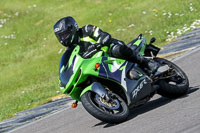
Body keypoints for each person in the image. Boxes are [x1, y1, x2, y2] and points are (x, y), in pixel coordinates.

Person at [54, 16, 159, 74]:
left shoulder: (86, 30)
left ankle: (146, 62)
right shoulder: (72, 50)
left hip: (109, 49)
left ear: (72, 28)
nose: (63, 39)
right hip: (99, 64)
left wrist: (99, 42)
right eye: (60, 36)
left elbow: (103, 36)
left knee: (117, 50)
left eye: (64, 34)